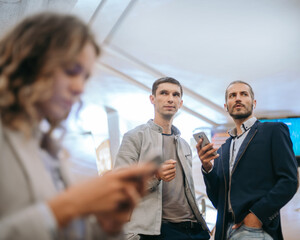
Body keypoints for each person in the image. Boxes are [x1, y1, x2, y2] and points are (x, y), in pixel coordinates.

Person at [0, 12, 156, 240]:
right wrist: (71, 204)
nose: (79, 88)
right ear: (31, 61)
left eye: (85, 77)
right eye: (71, 71)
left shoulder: (49, 149)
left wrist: (108, 225)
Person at [197, 80, 298, 240]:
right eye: (232, 95)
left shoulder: (273, 131)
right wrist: (208, 168)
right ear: (226, 106)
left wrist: (257, 216)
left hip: (256, 229)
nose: (238, 98)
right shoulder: (223, 149)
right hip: (224, 231)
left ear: (254, 103)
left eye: (243, 94)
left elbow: (289, 181)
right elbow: (218, 200)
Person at [114, 77, 210, 240]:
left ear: (180, 103)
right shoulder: (135, 137)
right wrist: (155, 176)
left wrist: (208, 166)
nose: (170, 99)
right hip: (158, 231)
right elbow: (120, 187)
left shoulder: (184, 145)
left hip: (194, 230)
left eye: (175, 94)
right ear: (152, 99)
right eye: (164, 93)